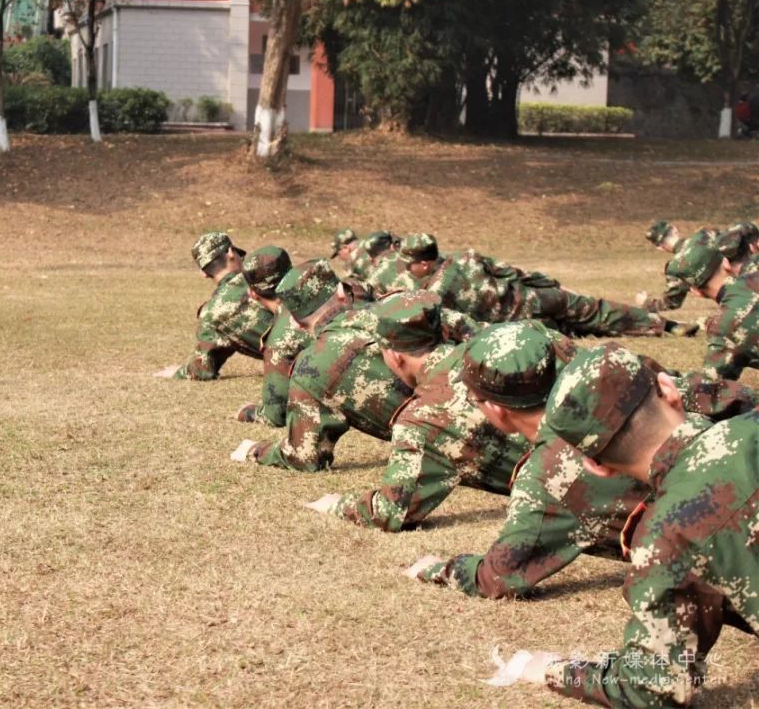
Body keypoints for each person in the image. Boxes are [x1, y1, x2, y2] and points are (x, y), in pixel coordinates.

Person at [406, 323, 758, 599]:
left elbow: (499, 577)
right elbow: (729, 396)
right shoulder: (626, 378)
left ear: (496, 410)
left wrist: (441, 568)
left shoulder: (547, 478)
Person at [500, 344, 759, 708]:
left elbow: (654, 686)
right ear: (669, 390)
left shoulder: (665, 539)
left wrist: (555, 669)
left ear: (595, 466)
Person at [305, 292, 521, 530]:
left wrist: (336, 504)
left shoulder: (420, 421)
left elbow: (390, 511)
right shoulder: (506, 346)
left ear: (395, 357)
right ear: (444, 332)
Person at [237, 259, 405, 471]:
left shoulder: (310, 371)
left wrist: (257, 450)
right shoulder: (404, 304)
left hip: (447, 450)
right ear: (343, 292)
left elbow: (305, 456)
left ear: (296, 323)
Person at [399, 233, 697, 338]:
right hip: (536, 298)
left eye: (409, 264)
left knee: (571, 329)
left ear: (424, 263)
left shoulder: (435, 293)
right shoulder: (467, 256)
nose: (407, 269)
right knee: (596, 311)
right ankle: (667, 325)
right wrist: (552, 285)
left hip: (517, 326)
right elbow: (514, 271)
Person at [156, 232, 274, 381]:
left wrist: (179, 372)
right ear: (231, 252)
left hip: (298, 364)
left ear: (203, 273)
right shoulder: (267, 274)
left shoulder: (211, 315)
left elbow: (202, 369)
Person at [666, 232, 759, 380]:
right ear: (726, 263)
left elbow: (711, 387)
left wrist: (669, 377)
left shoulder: (723, 327)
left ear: (696, 291)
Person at [234, 246, 310, 427]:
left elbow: (275, 415)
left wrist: (248, 412)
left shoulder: (279, 340)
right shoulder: (336, 287)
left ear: (252, 294)